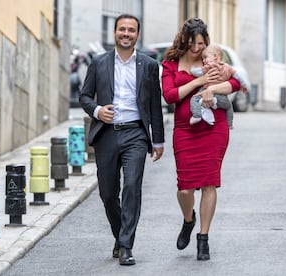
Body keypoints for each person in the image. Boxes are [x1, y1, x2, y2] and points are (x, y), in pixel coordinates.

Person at [79, 14, 165, 266]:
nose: (126, 34)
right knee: (108, 194)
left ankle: (126, 246)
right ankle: (120, 235)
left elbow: (154, 105)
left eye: (131, 30)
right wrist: (97, 111)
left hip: (135, 133)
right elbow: (84, 96)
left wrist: (157, 140)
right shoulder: (99, 62)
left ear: (138, 34)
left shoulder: (149, 65)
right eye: (122, 29)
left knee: (131, 187)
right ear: (114, 32)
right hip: (106, 133)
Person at [161, 18, 241, 261]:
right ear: (183, 40)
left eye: (200, 43)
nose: (196, 48)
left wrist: (213, 89)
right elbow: (169, 95)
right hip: (185, 129)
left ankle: (203, 238)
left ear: (205, 41)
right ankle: (189, 219)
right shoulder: (171, 64)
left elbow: (236, 82)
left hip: (214, 128)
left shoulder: (213, 60)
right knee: (185, 187)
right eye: (191, 43)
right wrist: (199, 82)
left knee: (209, 182)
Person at [189, 44, 249, 127]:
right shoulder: (228, 67)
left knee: (195, 99)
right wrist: (244, 84)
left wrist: (191, 69)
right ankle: (230, 123)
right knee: (229, 107)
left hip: (207, 92)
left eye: (205, 57)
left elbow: (197, 72)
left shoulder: (209, 66)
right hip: (222, 96)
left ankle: (197, 115)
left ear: (215, 56)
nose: (203, 61)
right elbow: (238, 76)